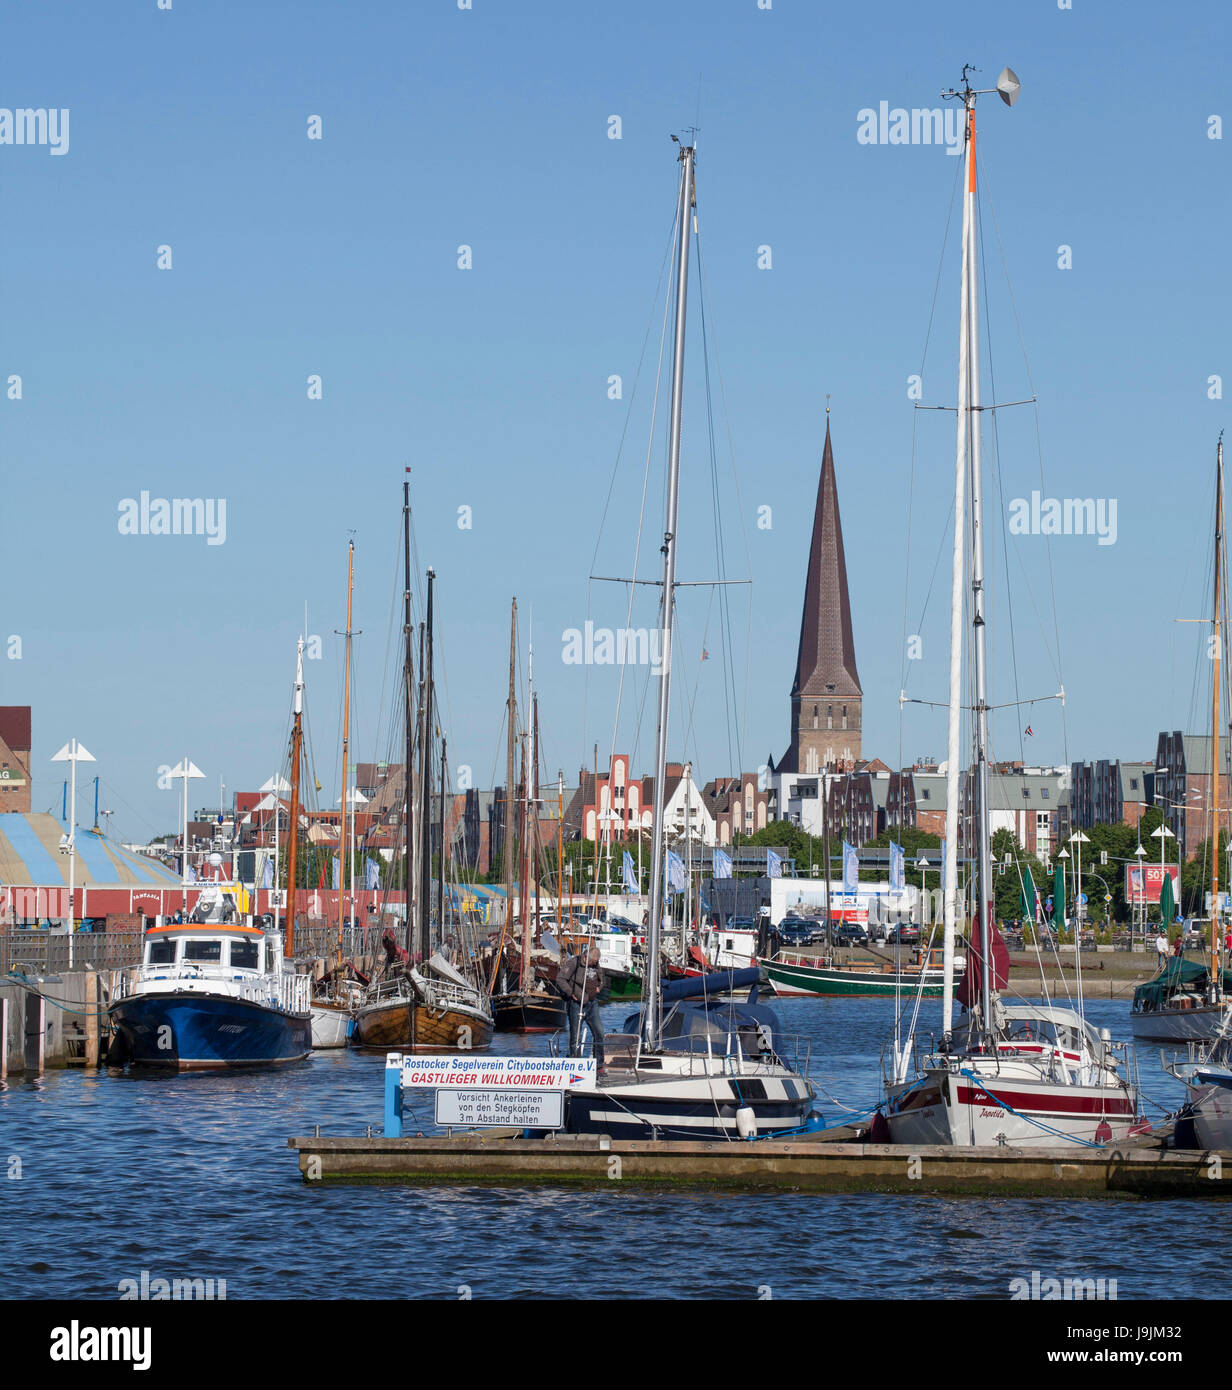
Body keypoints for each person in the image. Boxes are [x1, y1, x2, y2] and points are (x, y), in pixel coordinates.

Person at [557, 944, 605, 1069]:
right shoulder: (574, 963)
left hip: (592, 1003)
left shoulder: (596, 965)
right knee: (575, 1036)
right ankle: (575, 1063)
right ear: (586, 957)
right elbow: (560, 979)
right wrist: (571, 993)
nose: (594, 964)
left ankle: (599, 1064)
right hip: (577, 1004)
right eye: (593, 962)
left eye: (596, 962)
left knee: (599, 1032)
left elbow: (602, 979)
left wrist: (599, 987)